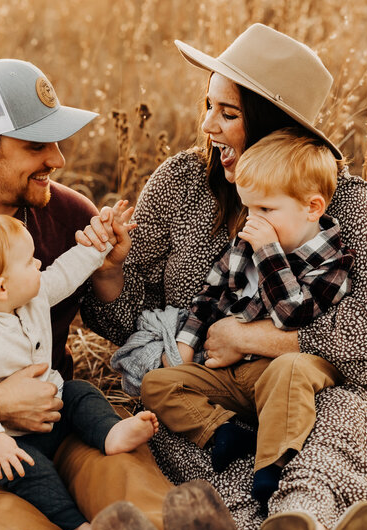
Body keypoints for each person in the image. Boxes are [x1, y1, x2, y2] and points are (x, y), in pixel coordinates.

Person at [80, 24, 367, 530]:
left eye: (228, 112)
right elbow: (131, 323)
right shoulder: (179, 183)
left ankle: (299, 517)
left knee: (338, 420)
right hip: (210, 400)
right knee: (178, 424)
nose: (207, 125)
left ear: (271, 123)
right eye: (208, 106)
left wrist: (246, 337)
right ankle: (255, 520)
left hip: (306, 391)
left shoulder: (341, 199)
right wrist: (110, 272)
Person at [0, 58, 238, 530]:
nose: (58, 160)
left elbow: (122, 329)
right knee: (4, 523)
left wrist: (108, 273)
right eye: (37, 146)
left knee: (132, 486)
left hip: (56, 416)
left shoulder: (66, 213)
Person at [140, 129, 354, 508]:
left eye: (266, 210)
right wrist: (187, 345)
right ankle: (223, 431)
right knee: (157, 383)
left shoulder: (331, 264)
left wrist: (269, 252)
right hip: (232, 378)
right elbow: (208, 296)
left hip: (284, 372)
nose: (252, 222)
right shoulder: (244, 245)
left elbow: (292, 314)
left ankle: (270, 468)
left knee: (290, 369)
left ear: (312, 207)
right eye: (249, 209)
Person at [0, 213, 162, 530]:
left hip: (49, 418)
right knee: (32, 472)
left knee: (80, 394)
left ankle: (110, 433)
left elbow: (65, 271)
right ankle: (75, 525)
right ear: (2, 287)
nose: (39, 265)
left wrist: (100, 246)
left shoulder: (31, 295)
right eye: (29, 261)